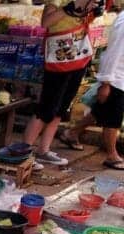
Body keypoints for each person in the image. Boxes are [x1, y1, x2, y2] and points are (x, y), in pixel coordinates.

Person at [22, 0, 107, 168]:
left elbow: (85, 20)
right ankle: (23, 153)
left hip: (79, 57)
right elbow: (46, 23)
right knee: (46, 108)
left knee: (61, 108)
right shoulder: (57, 1)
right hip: (58, 60)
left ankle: (43, 150)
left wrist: (92, 11)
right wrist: (70, 7)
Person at [60, 6, 124, 170]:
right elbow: (113, 53)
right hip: (116, 77)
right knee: (113, 118)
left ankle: (72, 133)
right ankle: (111, 155)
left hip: (119, 77)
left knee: (101, 111)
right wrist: (106, 82)